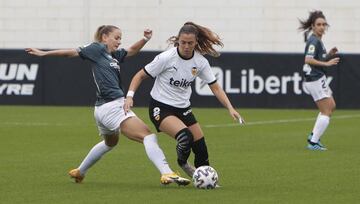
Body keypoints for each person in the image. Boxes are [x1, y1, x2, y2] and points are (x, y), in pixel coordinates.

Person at [26, 25, 190, 185]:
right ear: (105, 37)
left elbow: (131, 51)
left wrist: (145, 39)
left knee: (110, 143)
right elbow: (70, 53)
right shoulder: (97, 49)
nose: (119, 41)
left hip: (102, 109)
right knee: (148, 136)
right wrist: (43, 53)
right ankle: (167, 173)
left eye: (121, 38)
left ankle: (80, 172)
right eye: (116, 37)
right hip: (113, 106)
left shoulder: (113, 55)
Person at [124, 22, 244, 178]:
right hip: (161, 107)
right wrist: (129, 96)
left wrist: (230, 108)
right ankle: (183, 163)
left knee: (200, 147)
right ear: (178, 41)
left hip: (183, 108)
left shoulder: (200, 62)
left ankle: (205, 179)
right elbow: (139, 75)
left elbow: (215, 87)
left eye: (190, 43)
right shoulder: (166, 58)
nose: (186, 46)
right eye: (183, 42)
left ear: (196, 43)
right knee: (185, 136)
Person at [299, 11, 340, 150]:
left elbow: (318, 59)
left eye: (324, 24)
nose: (322, 27)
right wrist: (327, 64)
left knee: (331, 105)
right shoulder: (313, 41)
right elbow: (308, 59)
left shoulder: (318, 40)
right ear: (313, 26)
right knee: (326, 110)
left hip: (318, 78)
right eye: (318, 24)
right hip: (314, 79)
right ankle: (313, 142)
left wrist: (328, 55)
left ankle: (313, 136)